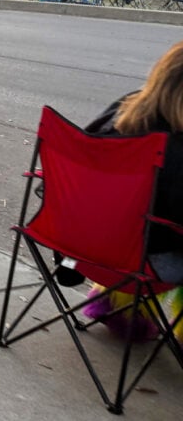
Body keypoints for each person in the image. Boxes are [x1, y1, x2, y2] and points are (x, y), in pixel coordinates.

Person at [77, 42, 183, 340]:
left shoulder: (122, 111)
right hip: (141, 265)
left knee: (134, 228)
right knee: (154, 236)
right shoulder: (175, 147)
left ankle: (122, 313)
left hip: (80, 246)